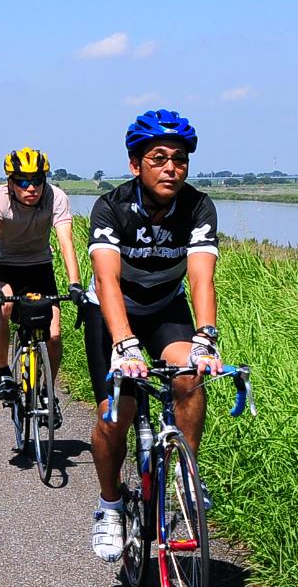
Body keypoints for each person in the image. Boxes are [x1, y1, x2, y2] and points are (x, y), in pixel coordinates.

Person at [82, 109, 223, 561]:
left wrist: (206, 338)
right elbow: (105, 281)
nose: (171, 168)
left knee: (188, 376)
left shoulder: (198, 207)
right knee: (115, 414)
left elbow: (201, 278)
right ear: (135, 164)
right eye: (158, 158)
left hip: (165, 307)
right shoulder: (111, 207)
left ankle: (185, 475)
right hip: (112, 311)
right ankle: (109, 505)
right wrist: (124, 346)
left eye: (179, 159)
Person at [0, 147, 83, 412]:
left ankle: (48, 392)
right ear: (11, 182)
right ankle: (3, 373)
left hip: (40, 267)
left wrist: (75, 284)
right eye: (23, 181)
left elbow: (66, 242)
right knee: (4, 307)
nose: (31, 187)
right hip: (7, 266)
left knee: (54, 335)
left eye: (37, 180)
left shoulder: (55, 197)